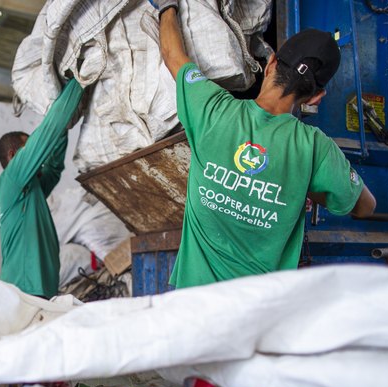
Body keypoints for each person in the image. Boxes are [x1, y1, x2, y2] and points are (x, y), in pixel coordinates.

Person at [149, 0, 376, 289]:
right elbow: (366, 207)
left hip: (194, 309)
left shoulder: (211, 108)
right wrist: (304, 185)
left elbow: (173, 55)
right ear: (317, 97)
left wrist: (168, 6)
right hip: (261, 313)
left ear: (270, 65)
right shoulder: (315, 148)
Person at [0, 78, 84, 299]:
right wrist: (77, 83)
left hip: (39, 290)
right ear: (14, 157)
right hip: (24, 290)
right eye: (29, 151)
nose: (37, 159)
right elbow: (46, 135)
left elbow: (53, 167)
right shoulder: (12, 179)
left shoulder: (30, 190)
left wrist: (63, 130)